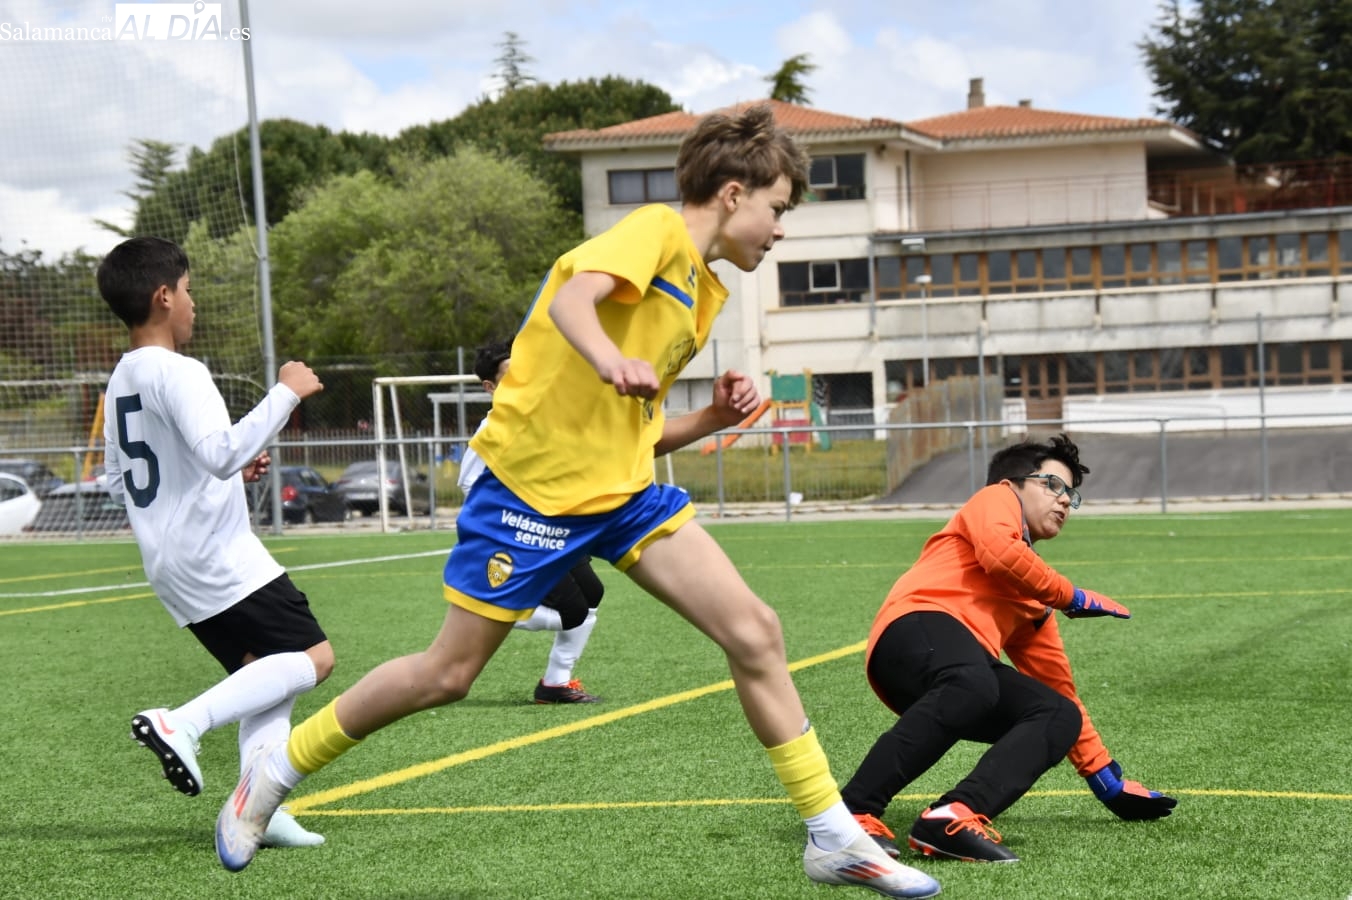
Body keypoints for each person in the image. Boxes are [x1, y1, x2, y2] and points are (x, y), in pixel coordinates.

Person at [213, 104, 940, 898]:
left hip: (622, 493)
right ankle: (272, 774)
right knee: (447, 674)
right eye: (778, 209)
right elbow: (572, 302)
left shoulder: (702, 291)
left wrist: (711, 419)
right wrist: (605, 358)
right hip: (527, 492)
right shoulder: (656, 231)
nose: (780, 229)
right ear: (734, 193)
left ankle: (831, 838)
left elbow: (638, 428)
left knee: (756, 632)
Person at [97, 236, 336, 851]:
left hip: (171, 560)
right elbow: (219, 451)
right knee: (313, 660)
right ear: (163, 296)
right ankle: (182, 723)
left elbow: (119, 477)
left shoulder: (122, 378)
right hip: (216, 557)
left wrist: (218, 478)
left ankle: (259, 806)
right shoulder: (179, 369)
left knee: (264, 673)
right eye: (189, 290)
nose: (193, 304)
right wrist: (286, 390)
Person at [841, 433, 1177, 865]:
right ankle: (853, 812)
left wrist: (1104, 777)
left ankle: (953, 816)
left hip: (960, 679)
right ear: (1015, 483)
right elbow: (1001, 553)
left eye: (1071, 495)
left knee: (1058, 714)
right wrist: (1071, 595)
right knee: (974, 681)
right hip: (911, 634)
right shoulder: (994, 499)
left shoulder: (1034, 597)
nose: (1064, 501)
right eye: (1052, 485)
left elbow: (1060, 688)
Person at [461, 337, 603, 704]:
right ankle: (498, 612)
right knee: (571, 611)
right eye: (510, 374)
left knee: (592, 594)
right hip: (520, 538)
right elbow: (469, 486)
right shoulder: (493, 431)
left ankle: (555, 683)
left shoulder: (539, 417)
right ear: (490, 387)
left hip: (554, 529)